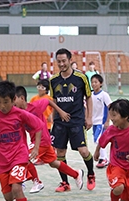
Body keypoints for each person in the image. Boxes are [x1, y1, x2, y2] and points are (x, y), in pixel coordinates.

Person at [14, 85, 84, 193]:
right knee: (54, 163)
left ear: (22, 98)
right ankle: (76, 174)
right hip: (39, 141)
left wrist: (60, 112)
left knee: (24, 158)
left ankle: (36, 182)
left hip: (42, 140)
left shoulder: (35, 106)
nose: (13, 104)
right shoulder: (18, 114)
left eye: (14, 100)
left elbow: (48, 101)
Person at [50, 48, 96, 192]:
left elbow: (88, 97)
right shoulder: (53, 80)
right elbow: (53, 100)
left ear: (70, 60)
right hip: (59, 122)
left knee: (83, 151)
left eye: (64, 61)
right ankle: (65, 183)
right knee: (60, 153)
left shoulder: (81, 78)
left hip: (77, 120)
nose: (61, 64)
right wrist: (55, 116)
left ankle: (91, 174)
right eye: (59, 61)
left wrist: (89, 117)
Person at [91, 74, 112, 169]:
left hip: (102, 122)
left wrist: (107, 121)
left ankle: (104, 158)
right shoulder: (90, 95)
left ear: (101, 83)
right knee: (96, 140)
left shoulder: (104, 95)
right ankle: (102, 157)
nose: (93, 84)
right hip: (94, 122)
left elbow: (110, 108)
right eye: (92, 82)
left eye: (96, 82)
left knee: (100, 139)